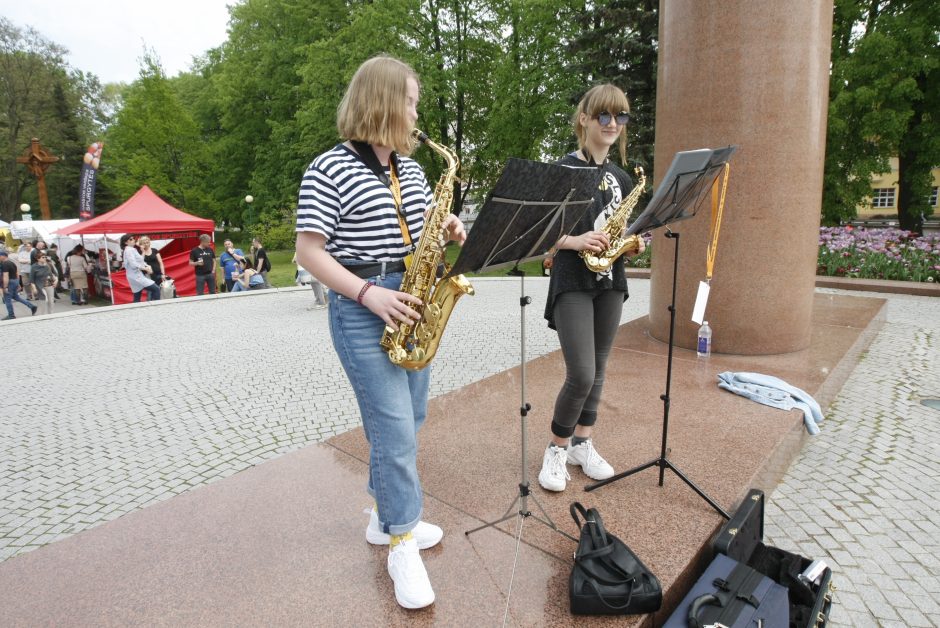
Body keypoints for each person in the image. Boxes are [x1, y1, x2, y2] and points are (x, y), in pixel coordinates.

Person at [294, 55, 466, 610]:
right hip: (362, 305)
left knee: (409, 420)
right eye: (411, 101)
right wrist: (369, 294)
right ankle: (400, 543)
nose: (417, 112)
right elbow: (308, 252)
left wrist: (447, 228)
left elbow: (417, 237)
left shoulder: (410, 170)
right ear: (385, 102)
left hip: (411, 302)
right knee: (393, 431)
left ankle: (381, 517)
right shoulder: (330, 167)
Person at [537, 84, 646, 493]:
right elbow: (540, 233)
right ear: (584, 119)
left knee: (599, 370)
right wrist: (576, 240)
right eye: (604, 116)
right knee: (581, 372)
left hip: (610, 279)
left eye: (621, 117)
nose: (613, 124)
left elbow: (618, 230)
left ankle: (583, 442)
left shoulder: (620, 177)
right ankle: (557, 448)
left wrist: (628, 243)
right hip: (572, 277)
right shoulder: (562, 170)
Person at [0, 248, 37, 319]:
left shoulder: (4, 264)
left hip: (10, 282)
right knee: (16, 297)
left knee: (7, 299)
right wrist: (18, 283)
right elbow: (17, 273)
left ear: (3, 256)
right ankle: (32, 306)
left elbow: (5, 276)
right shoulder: (11, 263)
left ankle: (11, 315)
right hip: (15, 280)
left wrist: (5, 287)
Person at [121, 234, 160, 302]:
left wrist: (143, 251)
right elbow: (133, 264)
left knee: (137, 295)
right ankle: (156, 307)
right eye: (130, 239)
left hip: (135, 276)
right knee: (156, 289)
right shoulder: (129, 250)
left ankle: (136, 310)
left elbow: (140, 260)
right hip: (136, 276)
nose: (133, 240)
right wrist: (145, 268)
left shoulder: (132, 249)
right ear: (126, 242)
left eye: (133, 238)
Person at [30, 249, 58, 314]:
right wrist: (34, 288)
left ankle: (51, 314)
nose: (45, 258)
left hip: (50, 285)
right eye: (43, 257)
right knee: (45, 300)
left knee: (51, 301)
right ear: (38, 259)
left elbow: (54, 274)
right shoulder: (34, 267)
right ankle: (43, 314)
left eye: (45, 257)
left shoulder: (48, 265)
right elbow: (31, 279)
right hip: (40, 286)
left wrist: (56, 281)